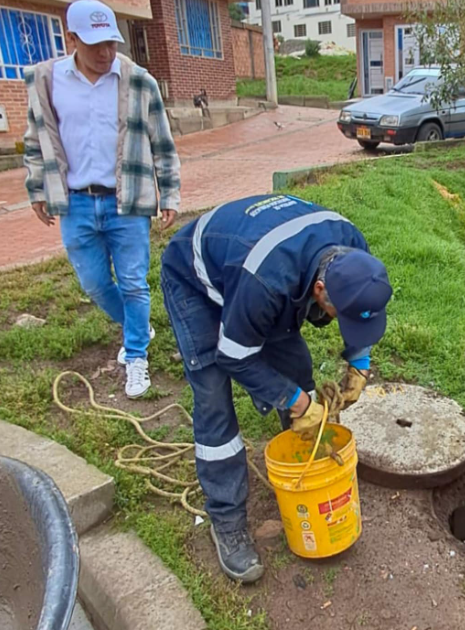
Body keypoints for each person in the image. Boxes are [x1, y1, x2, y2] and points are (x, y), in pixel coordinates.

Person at [159, 194, 392, 583]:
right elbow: (233, 357)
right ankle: (226, 521)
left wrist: (360, 362)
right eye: (340, 317)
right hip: (197, 282)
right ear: (319, 289)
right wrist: (295, 400)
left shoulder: (354, 250)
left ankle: (304, 463)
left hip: (254, 271)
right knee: (215, 399)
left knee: (295, 366)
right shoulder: (266, 282)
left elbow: (358, 307)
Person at [22, 0, 181, 398]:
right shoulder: (46, 80)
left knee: (133, 282)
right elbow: (34, 141)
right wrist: (37, 188)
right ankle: (138, 326)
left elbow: (163, 143)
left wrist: (170, 193)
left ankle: (137, 355)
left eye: (111, 43)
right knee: (93, 284)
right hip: (74, 200)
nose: (106, 53)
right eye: (95, 45)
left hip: (126, 201)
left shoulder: (138, 80)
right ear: (71, 38)